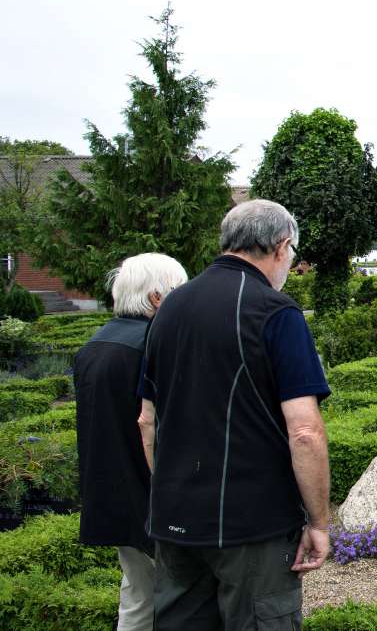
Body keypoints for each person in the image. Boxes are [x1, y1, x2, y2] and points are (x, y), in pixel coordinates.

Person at [138, 200, 332, 629]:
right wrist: (319, 522)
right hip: (252, 526)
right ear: (281, 247)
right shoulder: (275, 312)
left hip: (174, 520)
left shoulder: (168, 309)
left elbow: (146, 421)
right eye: (292, 255)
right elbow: (304, 432)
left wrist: (173, 491)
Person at [75, 253, 188, 631]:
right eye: (179, 292)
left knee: (137, 596)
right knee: (184, 601)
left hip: (113, 496)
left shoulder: (97, 343)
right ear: (158, 297)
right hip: (154, 499)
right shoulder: (154, 344)